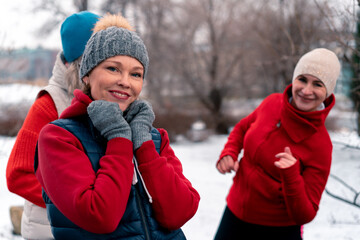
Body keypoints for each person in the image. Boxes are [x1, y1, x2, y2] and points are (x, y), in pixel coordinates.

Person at [34, 13, 200, 240]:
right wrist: (119, 138)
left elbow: (179, 213)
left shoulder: (155, 138)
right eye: (113, 68)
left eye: (136, 74)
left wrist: (143, 145)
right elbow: (101, 217)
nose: (125, 81)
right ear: (86, 75)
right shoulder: (58, 138)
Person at [214, 48, 341, 240]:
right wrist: (229, 153)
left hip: (277, 230)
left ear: (328, 91)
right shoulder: (272, 102)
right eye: (302, 79)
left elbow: (306, 214)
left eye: (318, 84)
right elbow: (241, 128)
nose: (306, 90)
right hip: (234, 215)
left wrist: (291, 175)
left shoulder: (321, 144)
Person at [6, 11, 100, 240]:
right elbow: (17, 174)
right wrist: (75, 202)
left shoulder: (105, 100)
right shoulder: (50, 105)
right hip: (52, 232)